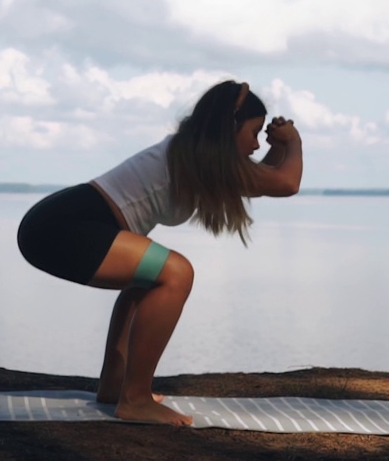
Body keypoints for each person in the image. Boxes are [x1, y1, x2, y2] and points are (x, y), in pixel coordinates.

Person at [16, 79, 304, 426]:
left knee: (148, 278)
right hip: (64, 226)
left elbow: (264, 178)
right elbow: (285, 182)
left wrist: (278, 147)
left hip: (60, 221)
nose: (257, 144)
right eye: (254, 132)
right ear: (229, 128)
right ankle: (135, 399)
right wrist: (293, 142)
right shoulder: (201, 160)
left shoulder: (193, 154)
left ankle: (115, 385)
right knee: (176, 273)